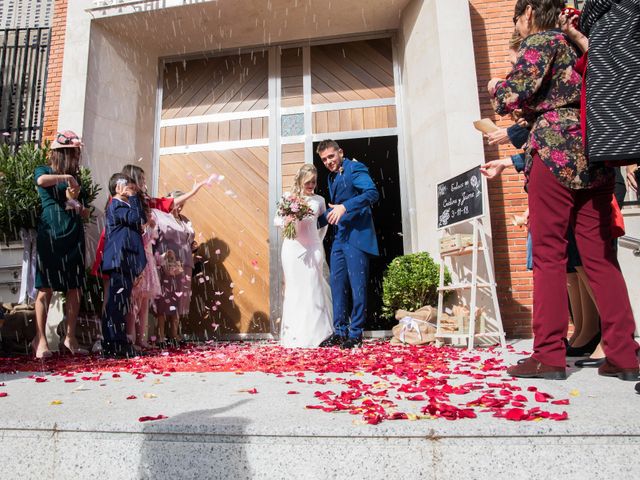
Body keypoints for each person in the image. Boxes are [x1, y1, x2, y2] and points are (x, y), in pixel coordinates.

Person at [488, 0, 639, 381]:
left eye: (516, 18)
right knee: (601, 257)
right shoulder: (581, 43)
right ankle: (624, 353)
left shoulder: (540, 42)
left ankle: (548, 355)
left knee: (549, 254)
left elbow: (513, 94)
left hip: (554, 150)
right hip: (593, 150)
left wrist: (496, 87)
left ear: (528, 14)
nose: (517, 26)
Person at [31, 131, 91, 358]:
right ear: (62, 153)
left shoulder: (77, 178)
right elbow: (41, 182)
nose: (76, 157)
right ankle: (40, 339)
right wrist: (66, 178)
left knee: (74, 286)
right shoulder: (44, 170)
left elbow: (83, 209)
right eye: (73, 153)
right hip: (51, 232)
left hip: (73, 231)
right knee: (45, 286)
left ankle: (70, 337)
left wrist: (77, 202)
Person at [316, 140, 379, 349]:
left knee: (357, 286)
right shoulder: (331, 177)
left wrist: (346, 206)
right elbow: (334, 209)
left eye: (331, 157)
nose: (328, 162)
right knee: (337, 285)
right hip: (340, 239)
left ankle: (356, 334)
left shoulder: (355, 168)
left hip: (357, 236)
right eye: (324, 159)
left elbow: (371, 193)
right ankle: (339, 332)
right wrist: (305, 220)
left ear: (340, 152)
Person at [275, 164, 333, 348]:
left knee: (314, 286)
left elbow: (323, 225)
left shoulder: (319, 200)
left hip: (313, 247)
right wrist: (288, 220)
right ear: (300, 180)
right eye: (308, 182)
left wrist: (317, 243)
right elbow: (277, 220)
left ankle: (319, 334)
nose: (311, 185)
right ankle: (295, 336)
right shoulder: (288, 197)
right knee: (295, 289)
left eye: (314, 182)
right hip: (292, 249)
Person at [100, 173, 147, 358]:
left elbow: (141, 217)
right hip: (119, 260)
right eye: (127, 186)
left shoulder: (126, 205)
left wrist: (135, 198)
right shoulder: (116, 205)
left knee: (122, 303)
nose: (131, 189)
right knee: (115, 303)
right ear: (117, 187)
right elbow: (135, 218)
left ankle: (118, 341)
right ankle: (112, 342)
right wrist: (134, 197)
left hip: (127, 261)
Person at [153, 191, 196, 347]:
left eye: (182, 205)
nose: (180, 208)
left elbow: (190, 238)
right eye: (178, 204)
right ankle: (161, 335)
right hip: (167, 261)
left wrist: (193, 246)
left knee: (180, 299)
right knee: (164, 298)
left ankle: (175, 334)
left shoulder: (185, 220)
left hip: (185, 263)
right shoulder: (159, 216)